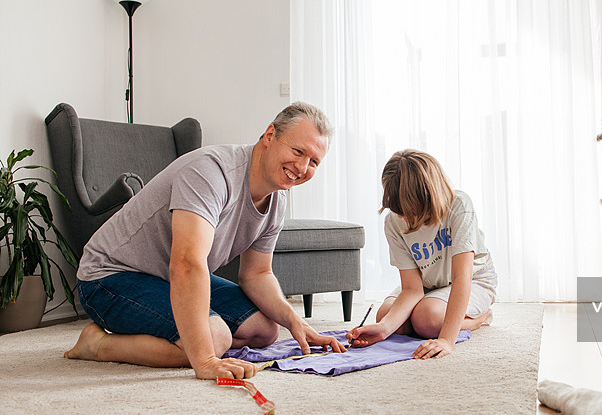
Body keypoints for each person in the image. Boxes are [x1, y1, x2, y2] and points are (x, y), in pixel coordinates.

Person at [64, 102, 346, 380]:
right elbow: (187, 263)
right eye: (298, 151)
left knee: (265, 330)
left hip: (166, 277)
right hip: (110, 276)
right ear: (270, 135)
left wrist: (296, 322)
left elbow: (257, 274)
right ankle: (97, 345)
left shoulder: (276, 200)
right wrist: (205, 359)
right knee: (215, 338)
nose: (302, 167)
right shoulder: (211, 172)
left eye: (314, 162)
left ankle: (181, 335)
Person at [346, 150, 496, 359]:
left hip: (474, 280)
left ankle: (478, 319)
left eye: (410, 212)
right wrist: (383, 329)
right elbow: (411, 289)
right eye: (399, 213)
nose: (404, 219)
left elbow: (462, 277)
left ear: (428, 196)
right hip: (428, 285)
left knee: (426, 319)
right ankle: (415, 321)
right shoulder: (393, 221)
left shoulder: (459, 206)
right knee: (385, 317)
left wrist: (446, 339)